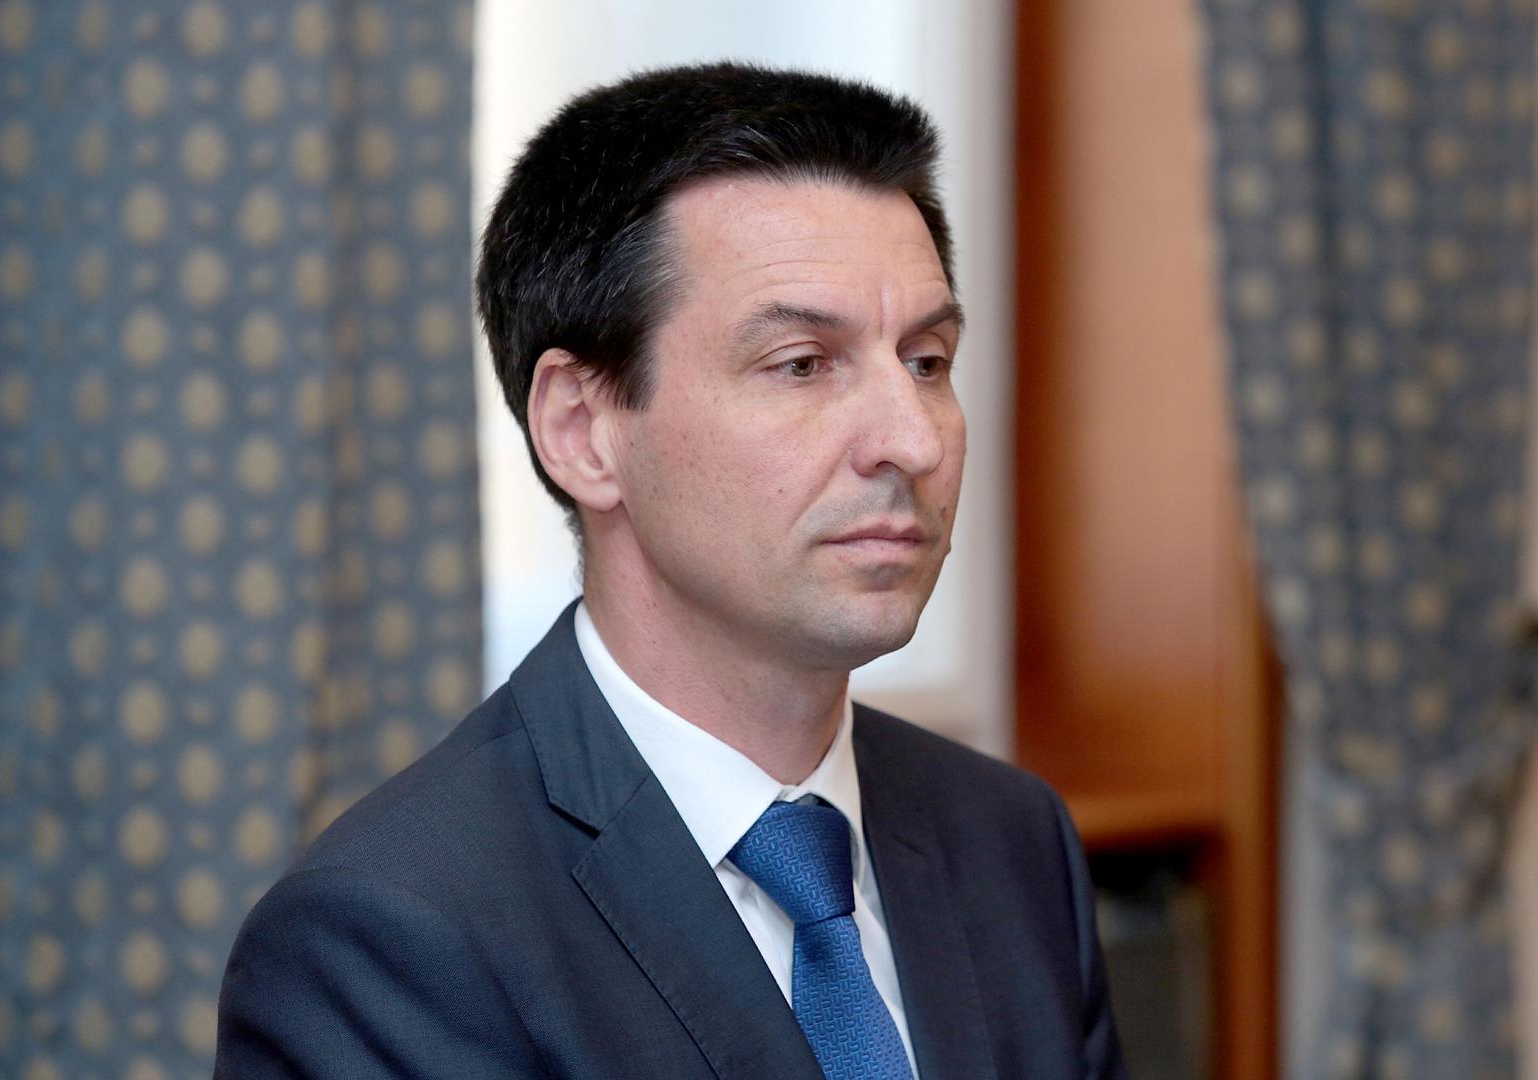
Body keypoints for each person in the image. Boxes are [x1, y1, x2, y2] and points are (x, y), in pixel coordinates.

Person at [214, 62, 1126, 1079]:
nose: (912, 440)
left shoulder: (1013, 842)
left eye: (926, 361)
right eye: (802, 364)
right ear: (583, 431)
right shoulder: (389, 938)